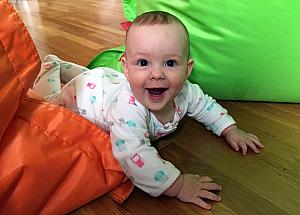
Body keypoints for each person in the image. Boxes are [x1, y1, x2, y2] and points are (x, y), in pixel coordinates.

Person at [33, 11, 264, 210]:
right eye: (143, 63)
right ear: (126, 67)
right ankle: (51, 67)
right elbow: (133, 155)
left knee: (93, 76)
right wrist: (178, 185)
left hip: (106, 81)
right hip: (82, 97)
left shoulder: (186, 92)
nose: (157, 74)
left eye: (170, 63)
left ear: (187, 69)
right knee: (43, 105)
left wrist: (230, 129)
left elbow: (206, 106)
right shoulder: (127, 108)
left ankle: (64, 66)